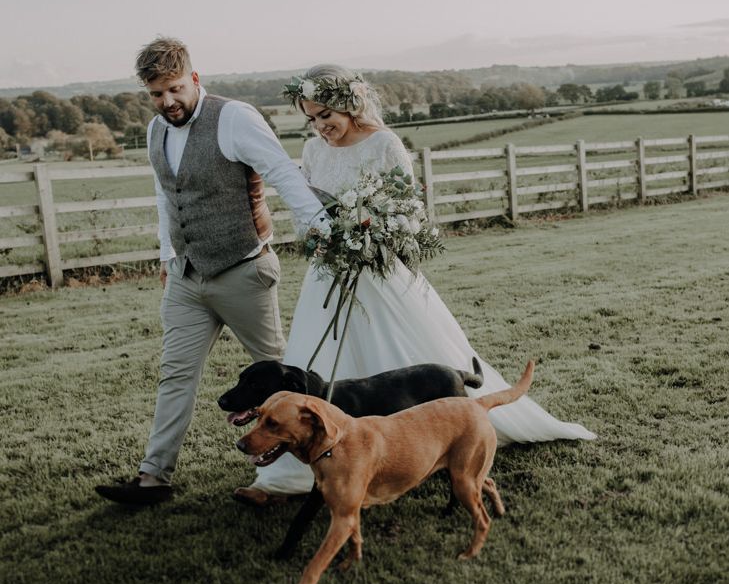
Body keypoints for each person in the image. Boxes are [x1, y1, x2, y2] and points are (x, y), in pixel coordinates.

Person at [232, 65, 596, 505]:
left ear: (351, 102)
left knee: (412, 350)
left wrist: (371, 238)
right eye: (310, 117)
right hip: (329, 271)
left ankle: (436, 435)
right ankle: (296, 466)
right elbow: (308, 212)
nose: (319, 125)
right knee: (320, 356)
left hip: (379, 269)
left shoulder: (385, 144)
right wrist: (322, 238)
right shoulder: (313, 151)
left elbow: (410, 214)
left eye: (325, 113)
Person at [95, 38, 328, 505]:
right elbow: (167, 196)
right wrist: (167, 256)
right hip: (185, 277)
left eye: (175, 90)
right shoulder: (154, 131)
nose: (168, 103)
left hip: (244, 270)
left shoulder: (235, 118)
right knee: (175, 374)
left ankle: (314, 470)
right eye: (156, 94)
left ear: (194, 79)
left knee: (286, 378)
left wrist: (320, 226)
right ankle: (153, 478)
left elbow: (282, 173)